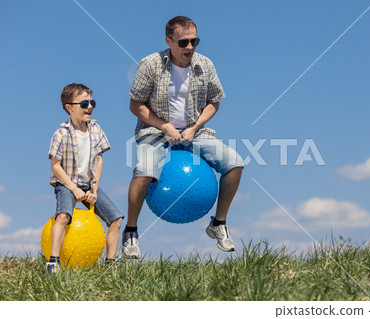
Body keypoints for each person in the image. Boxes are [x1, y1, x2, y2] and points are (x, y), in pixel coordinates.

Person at [123, 16, 244, 258]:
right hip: (155, 131)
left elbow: (214, 103)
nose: (190, 47)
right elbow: (135, 105)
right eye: (183, 42)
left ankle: (218, 224)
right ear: (169, 41)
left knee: (235, 164)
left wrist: (194, 126)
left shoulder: (205, 65)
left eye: (194, 41)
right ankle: (131, 232)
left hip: (193, 131)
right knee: (144, 170)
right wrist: (165, 126)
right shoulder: (150, 64)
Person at [46, 83, 124, 273]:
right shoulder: (61, 134)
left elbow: (99, 160)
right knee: (63, 216)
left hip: (89, 184)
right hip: (66, 184)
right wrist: (74, 189)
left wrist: (94, 189)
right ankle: (53, 262)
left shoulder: (96, 130)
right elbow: (55, 166)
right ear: (69, 107)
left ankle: (110, 264)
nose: (89, 107)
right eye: (84, 104)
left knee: (117, 219)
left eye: (92, 102)